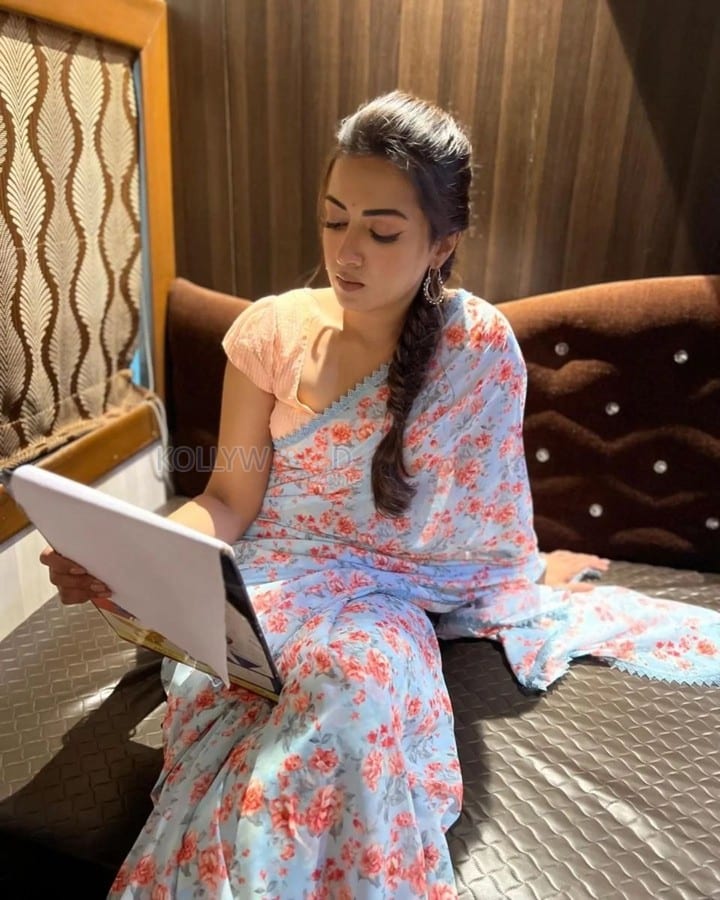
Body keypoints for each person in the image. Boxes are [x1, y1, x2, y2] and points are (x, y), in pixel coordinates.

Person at [40, 92, 718, 899]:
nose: (347, 251)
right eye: (334, 220)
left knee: (348, 687)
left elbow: (490, 508)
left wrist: (529, 575)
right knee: (289, 696)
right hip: (271, 581)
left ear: (442, 243)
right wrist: (130, 555)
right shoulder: (269, 335)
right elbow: (227, 500)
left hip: (385, 601)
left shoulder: (477, 349)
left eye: (382, 230)